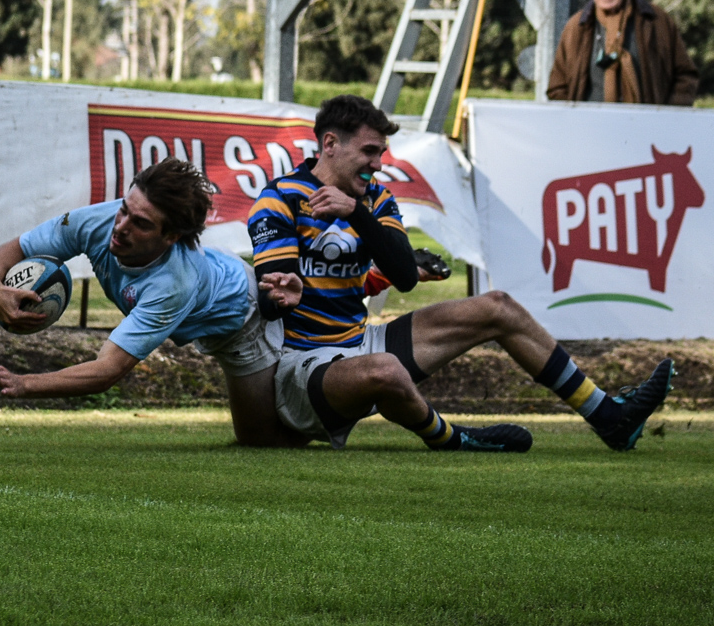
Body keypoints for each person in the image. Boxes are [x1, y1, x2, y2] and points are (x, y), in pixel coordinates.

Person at [250, 94, 674, 452]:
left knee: (498, 306)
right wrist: (279, 295)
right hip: (303, 368)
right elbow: (272, 302)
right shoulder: (280, 198)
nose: (377, 164)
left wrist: (356, 214)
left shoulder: (374, 198)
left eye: (381, 153)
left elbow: (404, 276)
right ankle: (454, 439)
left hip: (360, 343)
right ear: (329, 144)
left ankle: (607, 415)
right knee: (385, 369)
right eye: (369, 152)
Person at [0, 156, 303, 447]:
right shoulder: (99, 220)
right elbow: (17, 248)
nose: (120, 227)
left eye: (141, 224)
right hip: (212, 276)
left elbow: (107, 370)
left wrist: (25, 384)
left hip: (242, 320)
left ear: (171, 237)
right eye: (124, 210)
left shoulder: (173, 284)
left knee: (259, 440)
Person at [547, 0, 698, 104]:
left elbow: (685, 76)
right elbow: (557, 86)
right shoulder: (577, 26)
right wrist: (574, 117)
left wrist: (666, 114)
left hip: (646, 119)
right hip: (589, 120)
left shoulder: (656, 21)